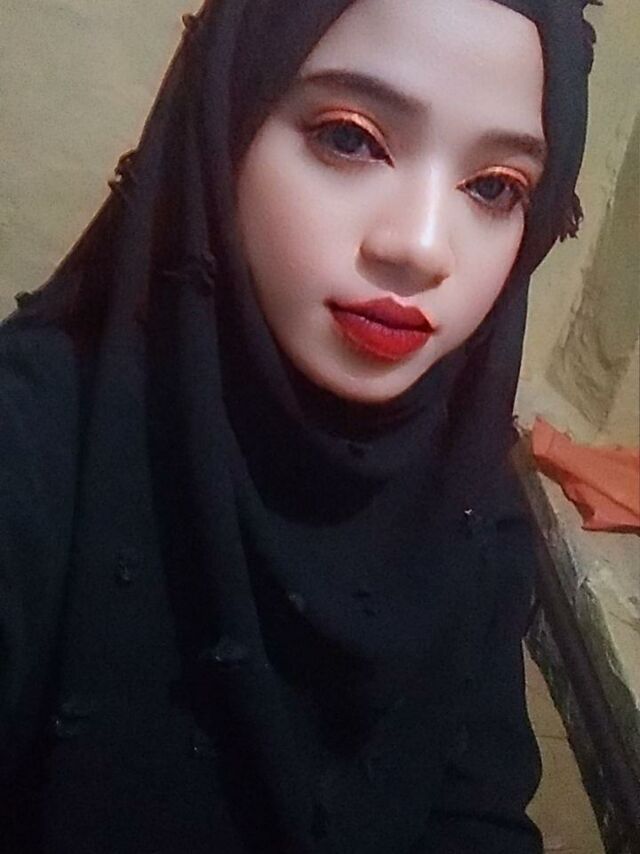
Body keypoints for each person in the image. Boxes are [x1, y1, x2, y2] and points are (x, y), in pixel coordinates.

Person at [0, 0, 596, 851]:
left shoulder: (473, 504)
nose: (421, 246)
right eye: (350, 138)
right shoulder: (35, 440)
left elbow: (475, 814)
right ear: (228, 122)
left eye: (495, 188)